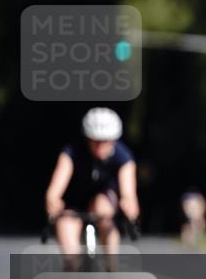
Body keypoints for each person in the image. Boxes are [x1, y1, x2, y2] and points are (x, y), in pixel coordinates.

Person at [44, 108, 140, 269]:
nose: (101, 146)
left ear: (114, 140)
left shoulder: (124, 157)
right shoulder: (71, 153)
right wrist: (53, 201)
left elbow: (128, 194)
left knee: (102, 208)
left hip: (104, 199)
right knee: (71, 255)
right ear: (87, 138)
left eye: (106, 141)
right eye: (96, 140)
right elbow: (55, 188)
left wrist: (130, 210)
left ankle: (112, 266)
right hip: (73, 203)